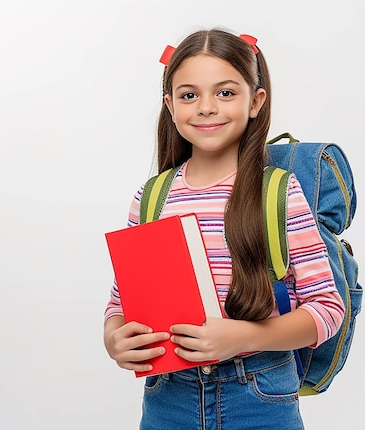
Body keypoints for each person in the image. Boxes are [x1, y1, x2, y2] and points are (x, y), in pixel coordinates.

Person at [103, 27, 345, 430]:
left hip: (259, 394)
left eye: (226, 92)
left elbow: (327, 308)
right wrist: (114, 339)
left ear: (256, 101)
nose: (206, 107)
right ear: (170, 105)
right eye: (189, 95)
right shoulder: (151, 197)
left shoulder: (279, 193)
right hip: (168, 398)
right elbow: (120, 304)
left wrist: (246, 337)